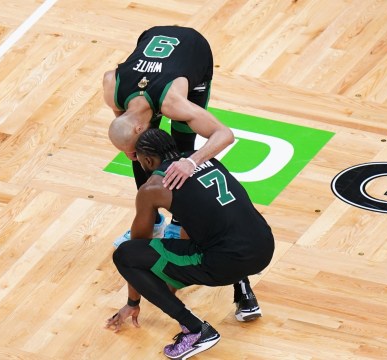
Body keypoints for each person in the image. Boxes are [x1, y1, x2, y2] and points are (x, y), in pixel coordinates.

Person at [105, 129, 275, 359]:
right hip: (265, 245)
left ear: (146, 160)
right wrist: (176, 274)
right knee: (223, 227)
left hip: (226, 262)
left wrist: (132, 301)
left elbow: (137, 246)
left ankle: (196, 330)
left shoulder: (153, 187)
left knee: (124, 254)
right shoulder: (205, 159)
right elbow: (196, 223)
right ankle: (245, 293)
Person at [103, 25, 234, 245]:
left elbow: (225, 134)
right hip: (150, 38)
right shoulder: (111, 86)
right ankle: (151, 220)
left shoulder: (174, 102)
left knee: (181, 146)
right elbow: (121, 117)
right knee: (142, 155)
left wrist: (191, 162)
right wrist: (130, 150)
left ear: (138, 128)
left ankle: (180, 222)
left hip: (194, 50)